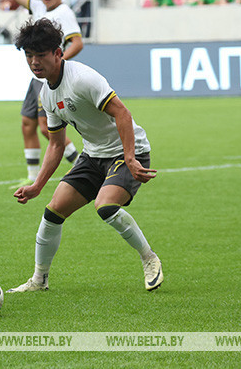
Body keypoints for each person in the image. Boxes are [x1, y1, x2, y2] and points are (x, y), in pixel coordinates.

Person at [9, 18, 162, 293]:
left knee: (105, 206)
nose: (34, 62)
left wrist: (130, 158)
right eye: (29, 56)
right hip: (93, 155)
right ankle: (39, 280)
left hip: (128, 151)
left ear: (58, 53)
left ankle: (149, 258)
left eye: (40, 55)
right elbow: (56, 145)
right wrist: (37, 186)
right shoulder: (46, 94)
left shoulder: (82, 79)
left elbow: (122, 113)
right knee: (53, 211)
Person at [9, 0, 83, 188]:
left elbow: (77, 43)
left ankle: (81, 165)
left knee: (45, 127)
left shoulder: (64, 13)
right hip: (36, 78)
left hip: (50, 77)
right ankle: (32, 175)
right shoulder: (39, 7)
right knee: (27, 123)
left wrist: (57, 63)